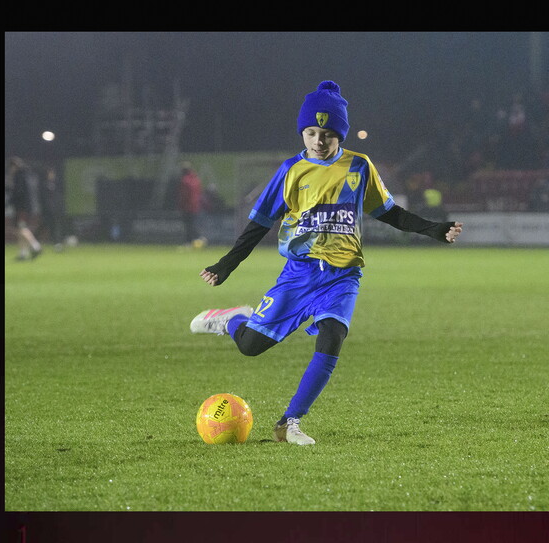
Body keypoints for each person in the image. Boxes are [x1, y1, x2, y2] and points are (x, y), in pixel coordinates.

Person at [190, 80, 463, 445]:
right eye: (311, 132)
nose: (319, 141)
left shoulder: (359, 167)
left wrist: (434, 228)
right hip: (298, 275)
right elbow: (258, 225)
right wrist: (226, 264)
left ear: (341, 136)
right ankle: (232, 319)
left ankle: (289, 424)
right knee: (250, 346)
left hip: (342, 276)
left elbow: (390, 213)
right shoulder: (290, 170)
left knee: (333, 336)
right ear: (303, 132)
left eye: (328, 134)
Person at [7, 156, 43, 261]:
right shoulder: (28, 175)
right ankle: (22, 254)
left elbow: (18, 192)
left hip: (22, 207)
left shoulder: (19, 176)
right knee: (20, 230)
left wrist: (9, 201)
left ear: (14, 166)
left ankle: (36, 247)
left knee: (22, 229)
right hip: (28, 207)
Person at [38, 166, 67, 252]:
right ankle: (34, 241)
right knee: (44, 226)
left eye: (53, 173)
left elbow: (59, 197)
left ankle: (57, 244)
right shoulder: (43, 185)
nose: (52, 175)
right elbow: (43, 198)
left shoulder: (57, 184)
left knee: (56, 226)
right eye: (50, 173)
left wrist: (59, 206)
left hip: (56, 210)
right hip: (47, 210)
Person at [178, 161, 203, 246]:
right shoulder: (196, 179)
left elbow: (184, 195)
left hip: (187, 207)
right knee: (192, 224)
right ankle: (197, 239)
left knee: (188, 225)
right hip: (196, 206)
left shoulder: (185, 180)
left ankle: (190, 242)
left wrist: (181, 205)